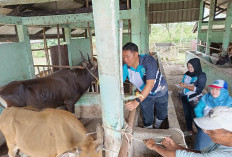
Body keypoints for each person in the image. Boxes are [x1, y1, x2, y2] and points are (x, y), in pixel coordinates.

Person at [144, 106, 232, 157]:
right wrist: (176, 147)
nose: (205, 131)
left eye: (211, 129)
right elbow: (202, 153)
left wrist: (154, 146)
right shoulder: (222, 142)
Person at [122, 42, 168, 129]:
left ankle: (157, 126)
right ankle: (149, 129)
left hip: (160, 91)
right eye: (124, 57)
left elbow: (150, 84)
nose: (125, 60)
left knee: (162, 113)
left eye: (128, 57)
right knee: (147, 115)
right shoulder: (126, 68)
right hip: (144, 94)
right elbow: (118, 82)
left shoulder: (148, 61)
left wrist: (136, 102)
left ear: (136, 54)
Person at [194, 80, 232, 150]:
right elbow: (197, 109)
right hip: (206, 128)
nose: (214, 91)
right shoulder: (206, 98)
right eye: (212, 89)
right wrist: (203, 125)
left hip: (222, 131)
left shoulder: (229, 102)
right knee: (201, 147)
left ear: (223, 91)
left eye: (217, 89)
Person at [179, 58, 206, 136]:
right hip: (185, 97)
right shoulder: (187, 73)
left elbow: (199, 89)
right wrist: (182, 84)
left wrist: (186, 86)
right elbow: (184, 82)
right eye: (188, 66)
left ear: (196, 66)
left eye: (191, 67)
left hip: (195, 99)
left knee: (195, 116)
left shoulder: (201, 76)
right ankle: (189, 131)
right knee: (187, 115)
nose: (189, 68)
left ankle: (201, 134)